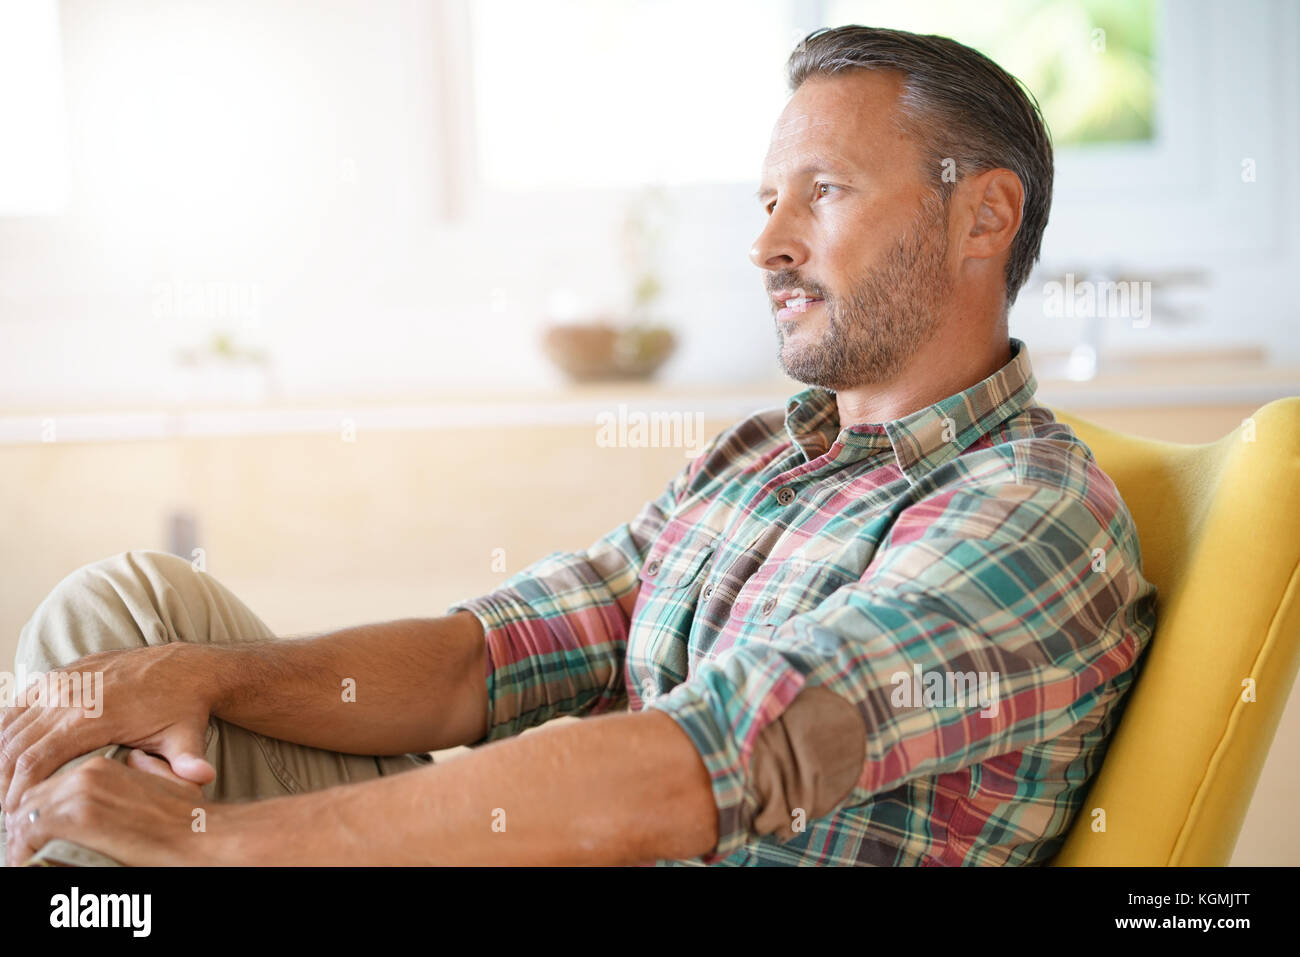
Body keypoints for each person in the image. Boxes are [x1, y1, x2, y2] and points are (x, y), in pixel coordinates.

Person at [0, 25, 1155, 867]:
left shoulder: (1029, 511)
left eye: (825, 192)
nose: (769, 244)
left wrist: (222, 844)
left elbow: (705, 762)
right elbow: (485, 660)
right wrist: (210, 676)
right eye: (764, 201)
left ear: (981, 216)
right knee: (129, 628)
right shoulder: (761, 459)